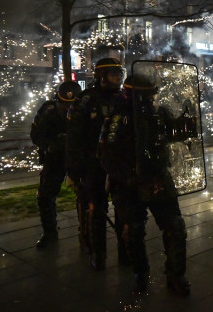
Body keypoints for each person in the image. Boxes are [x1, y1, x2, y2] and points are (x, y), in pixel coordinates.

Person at [99, 74, 192, 295]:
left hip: (157, 177)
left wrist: (187, 120)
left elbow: (174, 131)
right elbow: (105, 153)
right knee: (133, 230)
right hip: (128, 182)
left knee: (175, 226)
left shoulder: (158, 113)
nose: (149, 100)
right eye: (144, 96)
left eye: (150, 95)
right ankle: (140, 274)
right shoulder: (117, 117)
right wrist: (127, 176)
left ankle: (175, 274)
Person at [66, 57, 124, 271]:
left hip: (118, 165)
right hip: (94, 165)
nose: (117, 78)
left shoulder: (123, 98)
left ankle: (125, 251)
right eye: (113, 74)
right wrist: (73, 170)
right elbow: (73, 138)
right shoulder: (85, 100)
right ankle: (97, 254)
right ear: (101, 76)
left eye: (119, 74)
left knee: (123, 210)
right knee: (96, 211)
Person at [31, 80, 82, 248]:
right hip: (55, 158)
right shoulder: (49, 111)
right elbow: (36, 136)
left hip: (78, 157)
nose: (68, 109)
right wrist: (53, 143)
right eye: (64, 105)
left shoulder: (84, 108)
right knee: (45, 195)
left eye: (71, 106)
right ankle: (50, 232)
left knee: (87, 196)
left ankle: (88, 232)